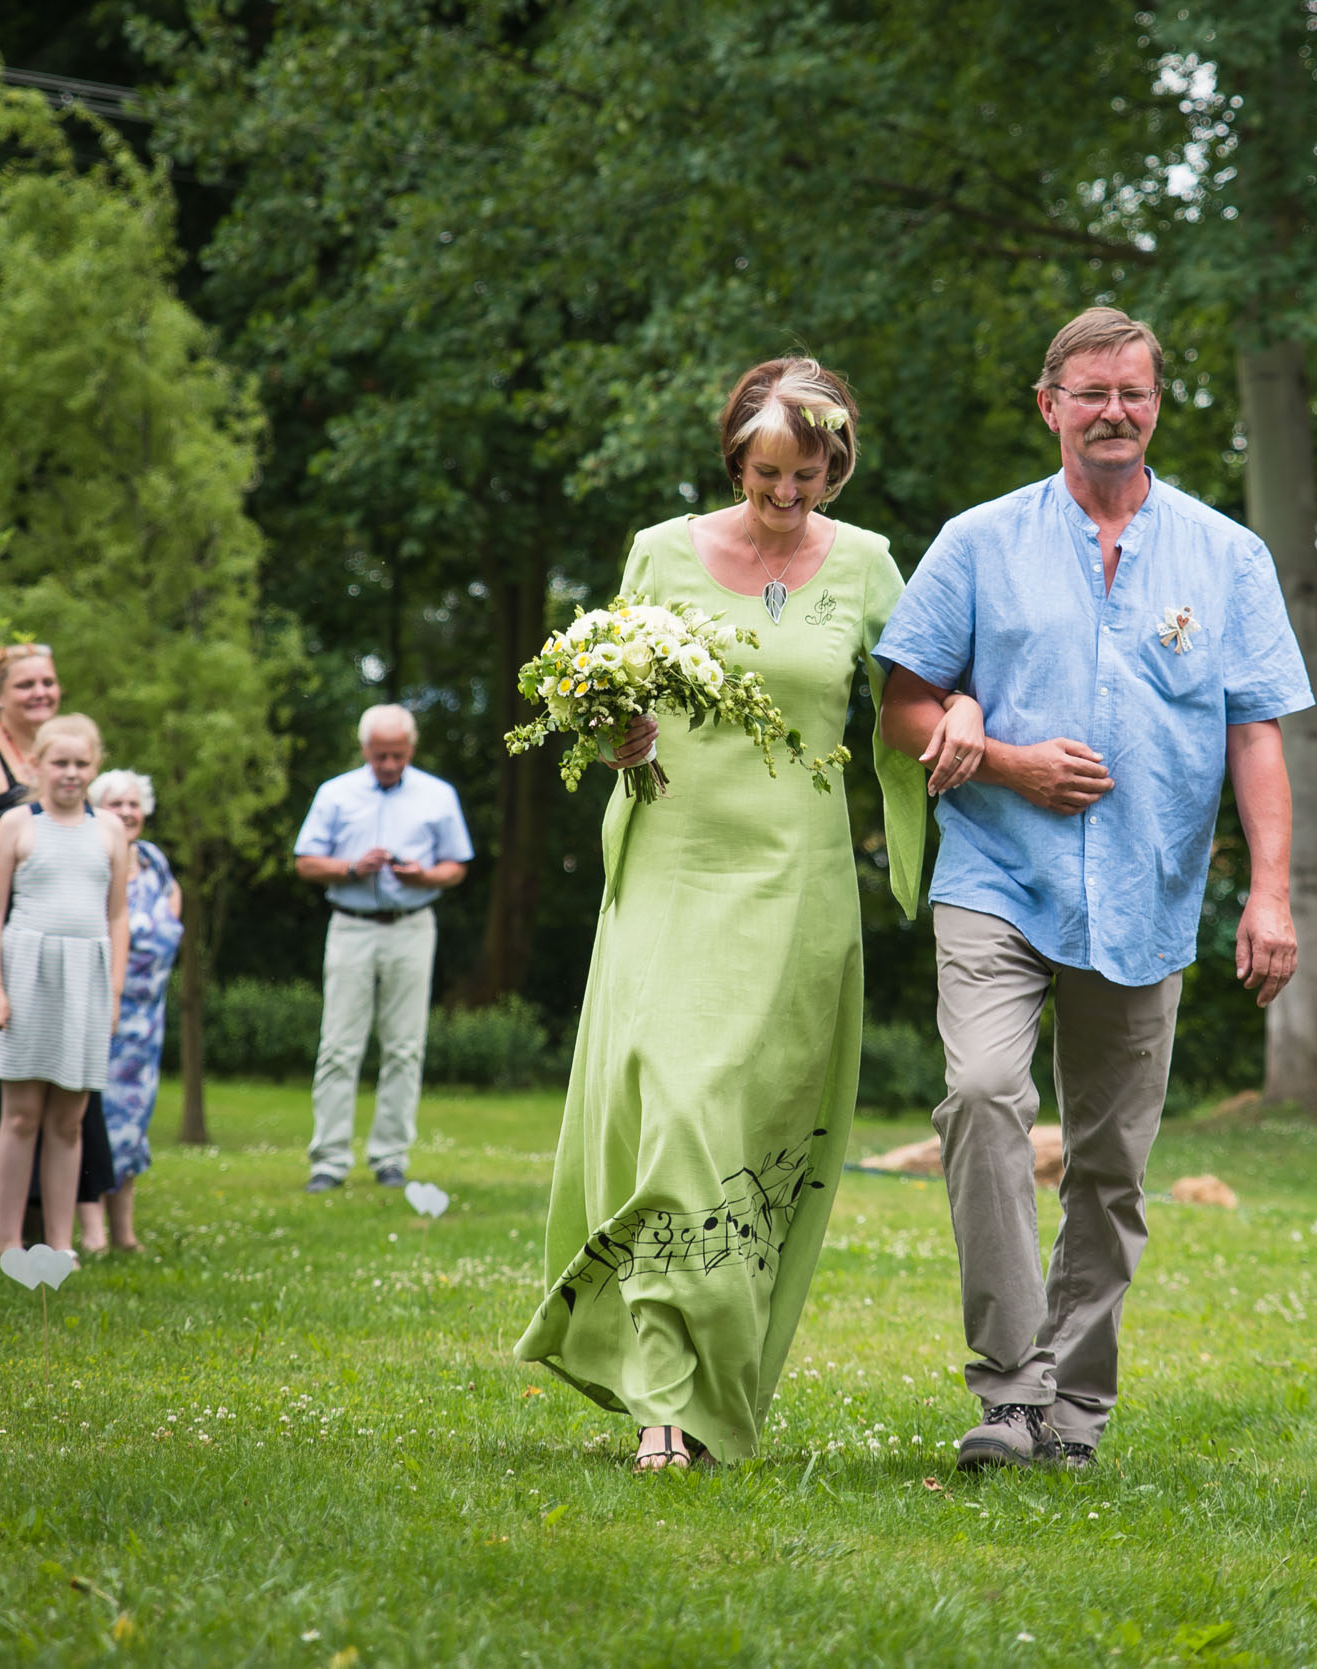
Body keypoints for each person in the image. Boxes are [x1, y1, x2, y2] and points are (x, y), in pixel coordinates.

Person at [876, 306, 1310, 1472]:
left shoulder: (1226, 555)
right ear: (1049, 405)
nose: (1114, 411)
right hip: (996, 872)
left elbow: (1255, 732)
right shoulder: (978, 542)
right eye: (1091, 392)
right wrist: (1009, 761)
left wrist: (1269, 894)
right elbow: (904, 704)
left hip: (1146, 889)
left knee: (1110, 1168)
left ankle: (1073, 1411)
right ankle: (1010, 1392)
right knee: (981, 1095)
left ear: (1156, 404)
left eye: (1134, 392)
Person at [515, 357, 927, 1472]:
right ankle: (663, 1396)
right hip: (674, 867)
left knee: (744, 1137)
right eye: (766, 472)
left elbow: (914, 698)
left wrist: (968, 729)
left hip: (795, 884)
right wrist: (615, 734)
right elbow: (607, 694)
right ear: (735, 458)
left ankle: (705, 1386)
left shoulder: (869, 564)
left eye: (807, 475)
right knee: (678, 1114)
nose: (786, 494)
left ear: (835, 464)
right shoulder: (659, 551)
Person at [0, 644, 117, 1256]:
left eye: (49, 681)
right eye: (25, 684)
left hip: (71, 960)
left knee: (67, 1109)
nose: (41, 692)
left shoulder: (69, 767)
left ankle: (58, 1228)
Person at [291, 705, 472, 1192]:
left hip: (412, 926)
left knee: (405, 1047)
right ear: (364, 749)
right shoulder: (335, 793)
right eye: (379, 755)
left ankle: (390, 1158)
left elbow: (456, 866)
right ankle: (329, 1161)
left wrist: (423, 876)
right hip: (351, 926)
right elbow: (305, 862)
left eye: (397, 754)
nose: (389, 764)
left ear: (411, 749)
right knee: (338, 1046)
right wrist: (352, 868)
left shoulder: (438, 795)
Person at [76, 769, 183, 1254]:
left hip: (148, 1021)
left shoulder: (155, 862)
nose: (126, 812)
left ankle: (124, 1231)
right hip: (103, 1013)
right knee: (94, 1118)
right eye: (115, 803)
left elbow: (171, 911)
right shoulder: (92, 859)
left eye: (133, 803)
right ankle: (92, 1231)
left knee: (134, 1123)